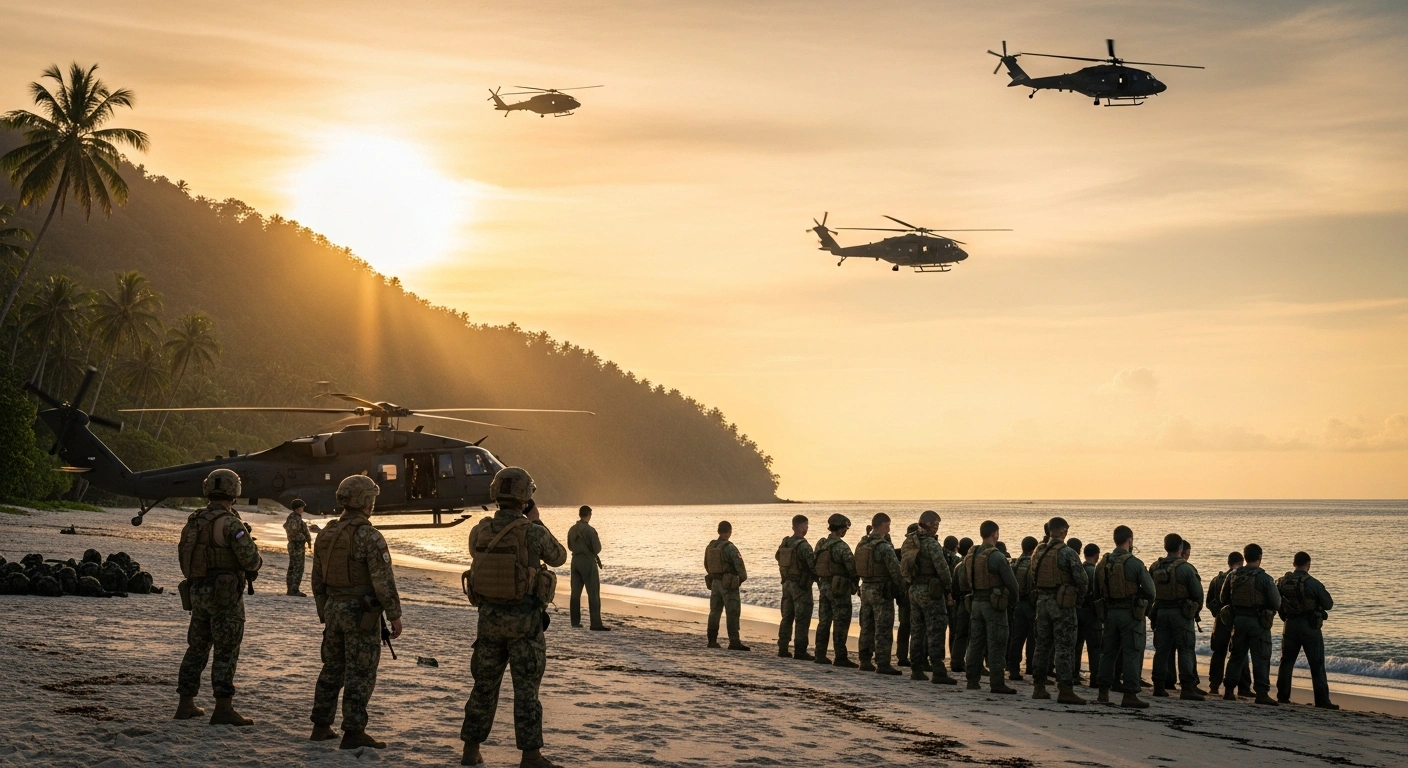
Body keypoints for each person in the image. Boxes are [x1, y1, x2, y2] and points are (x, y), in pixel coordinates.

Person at [461, 467, 568, 768]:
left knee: (483, 687)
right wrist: (537, 521)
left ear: (496, 495)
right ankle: (531, 756)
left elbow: (474, 552)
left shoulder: (480, 529)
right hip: (524, 626)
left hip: (489, 624)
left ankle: (470, 750)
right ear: (526, 497)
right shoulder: (532, 532)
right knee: (526, 692)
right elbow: (559, 556)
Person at [309, 475, 404, 749]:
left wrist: (325, 611)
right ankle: (353, 731)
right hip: (360, 613)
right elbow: (383, 581)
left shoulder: (326, 534)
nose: (373, 504)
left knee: (332, 668)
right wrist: (395, 615)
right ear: (363, 501)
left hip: (334, 609)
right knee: (361, 672)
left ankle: (321, 725)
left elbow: (317, 581)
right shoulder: (369, 535)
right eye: (371, 499)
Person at [174, 468, 263, 725]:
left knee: (197, 648)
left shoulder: (195, 520)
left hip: (198, 592)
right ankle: (223, 708)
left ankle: (186, 703)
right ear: (234, 492)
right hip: (224, 595)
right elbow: (251, 559)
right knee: (226, 649)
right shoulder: (230, 523)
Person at [1028, 517, 1089, 704]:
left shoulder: (1037, 551)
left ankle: (1039, 687)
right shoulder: (1067, 552)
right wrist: (1077, 600)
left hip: (1042, 602)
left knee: (1042, 645)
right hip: (1062, 604)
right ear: (1062, 530)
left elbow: (1032, 575)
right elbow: (1082, 580)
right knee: (1064, 647)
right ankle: (1065, 689)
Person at [1094, 525, 1155, 708]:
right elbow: (1151, 591)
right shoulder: (1134, 563)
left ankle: (1103, 692)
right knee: (1132, 653)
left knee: (1108, 653)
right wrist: (1145, 608)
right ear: (1130, 540)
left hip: (1110, 613)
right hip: (1130, 614)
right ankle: (1130, 694)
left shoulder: (1102, 564)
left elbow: (1096, 591)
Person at [1219, 543, 1281, 706]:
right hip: (1258, 622)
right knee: (1260, 657)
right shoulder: (1264, 578)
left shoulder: (1232, 575)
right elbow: (1276, 602)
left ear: (1245, 557)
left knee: (1236, 656)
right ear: (1260, 558)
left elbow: (1222, 598)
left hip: (1238, 620)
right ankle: (1262, 693)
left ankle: (1229, 690)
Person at [963, 521, 1020, 693]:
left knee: (975, 642)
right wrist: (1013, 603)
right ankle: (997, 683)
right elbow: (1013, 584)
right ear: (995, 533)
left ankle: (972, 680)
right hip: (993, 605)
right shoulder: (996, 556)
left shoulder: (971, 555)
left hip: (975, 603)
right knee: (997, 643)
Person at [1275, 551, 1337, 709]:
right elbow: (1328, 604)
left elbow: (1275, 601)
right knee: (1317, 664)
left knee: (1287, 662)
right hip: (1310, 626)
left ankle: (1282, 696)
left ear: (1294, 563)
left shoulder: (1282, 582)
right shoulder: (1313, 583)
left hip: (1289, 625)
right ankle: (1322, 700)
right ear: (1308, 564)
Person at [903, 510, 957, 684]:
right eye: (936, 524)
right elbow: (942, 569)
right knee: (936, 629)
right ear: (932, 524)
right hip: (930, 591)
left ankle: (916, 669)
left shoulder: (909, 541)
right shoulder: (931, 544)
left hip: (914, 589)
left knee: (917, 630)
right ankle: (938, 670)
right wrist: (949, 588)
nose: (937, 528)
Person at [1149, 533, 1205, 701]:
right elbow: (1198, 594)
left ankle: (1159, 686)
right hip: (1181, 613)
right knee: (1185, 649)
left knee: (1161, 650)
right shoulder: (1186, 568)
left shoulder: (1154, 567)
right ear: (1181, 548)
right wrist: (1194, 610)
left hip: (1160, 612)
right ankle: (1187, 687)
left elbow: (1149, 591)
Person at [856, 513, 904, 675]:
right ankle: (883, 663)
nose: (889, 528)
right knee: (883, 626)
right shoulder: (883, 546)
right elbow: (895, 571)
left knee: (867, 626)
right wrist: (903, 588)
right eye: (887, 525)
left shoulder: (862, 544)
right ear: (882, 525)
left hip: (865, 588)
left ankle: (864, 660)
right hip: (881, 590)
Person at [814, 513, 858, 667]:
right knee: (841, 622)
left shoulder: (821, 545)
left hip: (824, 586)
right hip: (838, 589)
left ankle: (820, 654)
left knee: (824, 622)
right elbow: (853, 569)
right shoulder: (842, 546)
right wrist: (855, 584)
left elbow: (815, 565)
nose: (846, 531)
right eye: (845, 528)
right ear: (840, 529)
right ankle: (840, 657)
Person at [1207, 551, 1253, 697]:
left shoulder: (1217, 579)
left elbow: (1209, 602)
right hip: (1237, 620)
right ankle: (1244, 687)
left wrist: (1219, 613)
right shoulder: (1244, 578)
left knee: (1218, 653)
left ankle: (1214, 685)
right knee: (1240, 653)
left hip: (1220, 620)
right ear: (1242, 562)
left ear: (1228, 563)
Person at [704, 521, 749, 651]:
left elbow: (706, 565)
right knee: (732, 612)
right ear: (729, 531)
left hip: (715, 583)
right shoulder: (730, 548)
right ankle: (734, 641)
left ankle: (712, 640)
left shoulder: (710, 547)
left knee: (714, 612)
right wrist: (739, 579)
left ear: (718, 531)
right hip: (728, 584)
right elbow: (741, 569)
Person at [776, 514, 816, 659]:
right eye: (806, 526)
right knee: (802, 618)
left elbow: (778, 557)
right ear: (802, 527)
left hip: (786, 584)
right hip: (800, 586)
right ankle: (800, 650)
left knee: (786, 617)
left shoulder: (785, 543)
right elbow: (813, 566)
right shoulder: (804, 545)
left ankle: (783, 647)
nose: (807, 529)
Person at [567, 505, 608, 631]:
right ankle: (595, 623)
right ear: (589, 515)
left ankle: (575, 621)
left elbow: (569, 546)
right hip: (587, 562)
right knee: (593, 593)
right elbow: (597, 549)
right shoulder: (590, 530)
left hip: (575, 561)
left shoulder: (572, 529)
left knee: (575, 593)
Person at [1007, 535, 1039, 681]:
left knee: (1017, 637)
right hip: (1031, 605)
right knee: (1033, 637)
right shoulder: (1034, 565)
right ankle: (1031, 667)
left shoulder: (1015, 563)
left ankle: (1013, 668)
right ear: (1034, 549)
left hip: (1018, 603)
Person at [1074, 542, 1102, 687]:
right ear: (1097, 555)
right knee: (1095, 648)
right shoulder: (1095, 572)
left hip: (1077, 612)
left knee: (1076, 646)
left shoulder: (1079, 570)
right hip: (1092, 614)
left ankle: (1074, 675)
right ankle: (1095, 678)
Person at [895, 522, 919, 668]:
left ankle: (902, 655)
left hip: (903, 592)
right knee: (914, 626)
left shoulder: (902, 549)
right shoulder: (915, 549)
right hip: (911, 591)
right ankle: (909, 656)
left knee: (904, 626)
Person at [284, 498, 319, 596]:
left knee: (294, 567)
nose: (302, 508)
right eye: (301, 507)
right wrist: (303, 538)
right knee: (297, 567)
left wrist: (307, 541)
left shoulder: (296, 518)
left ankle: (292, 589)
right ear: (297, 508)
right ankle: (293, 590)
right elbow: (293, 533)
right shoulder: (293, 519)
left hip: (297, 545)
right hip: (296, 545)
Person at [950, 536, 974, 674]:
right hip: (972, 600)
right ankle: (974, 664)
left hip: (960, 603)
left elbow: (953, 588)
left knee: (960, 634)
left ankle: (956, 662)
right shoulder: (974, 564)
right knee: (975, 634)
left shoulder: (958, 566)